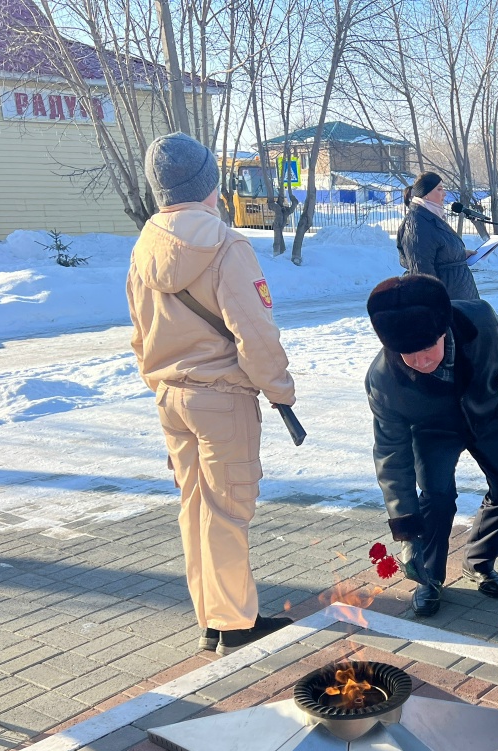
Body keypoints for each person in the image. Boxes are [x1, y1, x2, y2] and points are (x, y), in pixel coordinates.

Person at [127, 132, 297, 655]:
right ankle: (237, 625)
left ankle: (213, 617)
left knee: (195, 508)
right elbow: (255, 331)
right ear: (208, 184)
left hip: (170, 397)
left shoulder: (144, 247)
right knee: (227, 512)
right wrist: (280, 390)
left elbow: (138, 330)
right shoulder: (226, 244)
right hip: (221, 399)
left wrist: (160, 378)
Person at [366, 274, 498, 617]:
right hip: (431, 430)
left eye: (425, 349)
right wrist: (405, 528)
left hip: (486, 415)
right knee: (436, 497)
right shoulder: (383, 380)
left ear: (443, 329)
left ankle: (479, 561)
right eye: (408, 353)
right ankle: (429, 578)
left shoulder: (480, 320)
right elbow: (392, 454)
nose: (419, 361)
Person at [397, 172, 479, 301]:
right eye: (439, 189)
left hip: (457, 297)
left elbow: (439, 251)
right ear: (426, 194)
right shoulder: (417, 223)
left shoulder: (431, 217)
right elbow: (421, 271)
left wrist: (460, 254)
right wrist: (437, 307)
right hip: (446, 302)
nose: (444, 194)